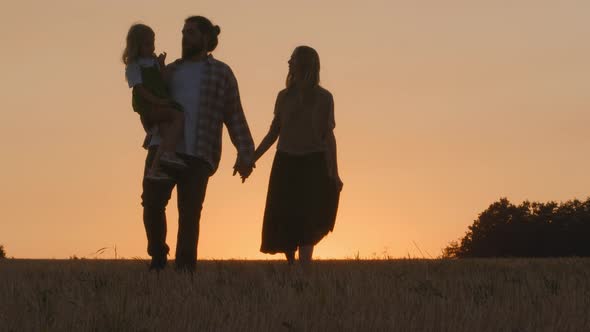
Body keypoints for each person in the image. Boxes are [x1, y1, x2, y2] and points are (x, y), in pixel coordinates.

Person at [141, 16, 255, 271]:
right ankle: (158, 257)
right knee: (151, 203)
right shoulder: (171, 70)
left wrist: (246, 153)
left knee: (190, 213)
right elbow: (150, 103)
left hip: (199, 152)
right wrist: (154, 76)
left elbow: (234, 114)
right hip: (163, 148)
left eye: (191, 33)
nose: (184, 37)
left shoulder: (221, 73)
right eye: (183, 32)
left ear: (205, 38)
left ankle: (184, 269)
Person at [254, 46, 342, 264]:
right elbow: (274, 132)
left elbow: (328, 137)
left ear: (304, 64)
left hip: (313, 162)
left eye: (292, 59)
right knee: (283, 215)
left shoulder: (324, 98)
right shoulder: (283, 97)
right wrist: (252, 158)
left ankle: (304, 267)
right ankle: (291, 262)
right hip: (285, 161)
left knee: (309, 218)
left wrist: (334, 172)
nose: (288, 63)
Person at [123, 23, 187, 182]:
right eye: (147, 44)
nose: (151, 47)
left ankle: (155, 168)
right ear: (136, 45)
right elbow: (140, 90)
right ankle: (168, 154)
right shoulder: (134, 66)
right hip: (149, 106)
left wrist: (162, 65)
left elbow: (163, 82)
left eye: (152, 43)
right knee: (177, 115)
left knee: (166, 133)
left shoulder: (153, 62)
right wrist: (159, 101)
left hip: (158, 102)